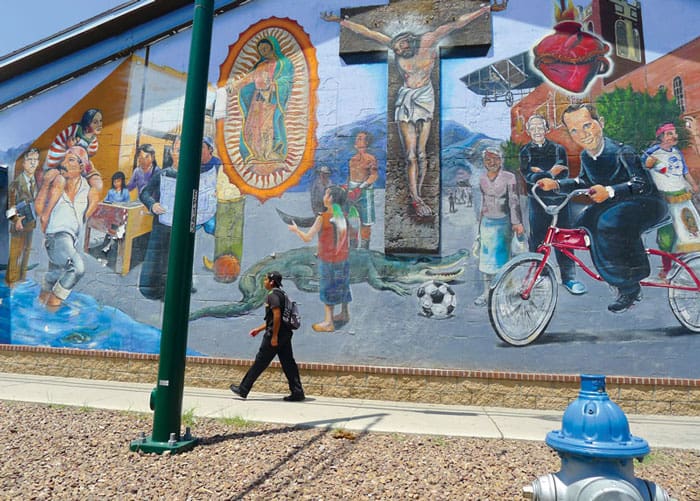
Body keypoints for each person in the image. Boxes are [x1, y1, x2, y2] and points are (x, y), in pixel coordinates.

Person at [322, 6, 489, 217]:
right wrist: (341, 22)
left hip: (425, 99)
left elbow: (456, 24)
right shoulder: (393, 46)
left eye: (400, 47)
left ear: (409, 41)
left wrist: (485, 10)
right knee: (410, 156)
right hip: (406, 100)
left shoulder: (429, 41)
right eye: (396, 50)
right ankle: (415, 198)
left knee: (422, 153)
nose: (398, 51)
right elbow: (368, 33)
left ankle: (420, 193)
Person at [538, 103, 667, 313]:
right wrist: (557, 185)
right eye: (574, 130)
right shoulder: (587, 157)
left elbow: (641, 184)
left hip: (648, 204)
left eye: (587, 125)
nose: (582, 134)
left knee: (609, 221)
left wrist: (609, 191)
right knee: (582, 224)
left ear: (601, 123)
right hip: (616, 205)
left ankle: (630, 283)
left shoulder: (622, 151)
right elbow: (583, 182)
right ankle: (612, 271)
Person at [519, 114, 586, 295]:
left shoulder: (558, 149)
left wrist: (541, 173)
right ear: (528, 131)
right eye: (533, 128)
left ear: (546, 129)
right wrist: (550, 173)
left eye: (540, 127)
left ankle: (569, 278)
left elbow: (563, 173)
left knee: (563, 239)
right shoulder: (525, 151)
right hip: (537, 202)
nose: (537, 131)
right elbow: (528, 176)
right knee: (538, 238)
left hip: (560, 200)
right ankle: (539, 276)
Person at [229, 271, 305, 402]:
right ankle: (297, 392)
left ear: (271, 281)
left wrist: (274, 336)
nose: (264, 282)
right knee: (288, 363)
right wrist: (259, 329)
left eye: (265, 279)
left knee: (260, 361)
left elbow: (276, 317)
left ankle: (243, 389)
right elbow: (277, 318)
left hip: (275, 335)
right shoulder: (283, 295)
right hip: (285, 334)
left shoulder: (272, 296)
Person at [35, 146, 95, 308]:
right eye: (64, 159)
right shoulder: (56, 183)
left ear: (81, 167)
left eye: (71, 160)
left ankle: (40, 312)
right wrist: (46, 183)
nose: (64, 164)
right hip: (57, 236)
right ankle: (53, 309)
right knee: (77, 268)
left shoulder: (86, 188)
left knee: (53, 277)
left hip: (70, 240)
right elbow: (40, 210)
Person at [288, 186, 351, 332]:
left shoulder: (322, 217)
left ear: (330, 199)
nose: (324, 196)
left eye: (326, 194)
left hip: (328, 260)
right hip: (342, 259)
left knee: (328, 288)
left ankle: (328, 322)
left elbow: (307, 237)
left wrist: (296, 230)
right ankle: (344, 313)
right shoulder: (344, 216)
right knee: (342, 285)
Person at [643, 122, 700, 280]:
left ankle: (687, 266)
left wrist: (693, 184)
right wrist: (647, 165)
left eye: (674, 133)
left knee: (688, 231)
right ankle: (667, 269)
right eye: (669, 134)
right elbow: (643, 171)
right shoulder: (652, 153)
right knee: (667, 235)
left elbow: (684, 171)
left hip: (682, 197)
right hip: (665, 199)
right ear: (661, 137)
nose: (673, 136)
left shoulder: (676, 152)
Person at [226, 37, 293, 165]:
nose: (263, 51)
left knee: (267, 126)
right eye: (260, 49)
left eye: (265, 48)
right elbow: (249, 78)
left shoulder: (283, 63)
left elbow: (287, 80)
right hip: (257, 101)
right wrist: (235, 85)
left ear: (272, 47)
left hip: (271, 100)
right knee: (252, 126)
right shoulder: (261, 65)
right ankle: (255, 153)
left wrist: (275, 85)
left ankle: (269, 153)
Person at [474, 148, 524, 306]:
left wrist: (516, 223)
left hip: (504, 224)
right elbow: (482, 203)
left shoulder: (509, 177)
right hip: (487, 223)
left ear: (501, 160)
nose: (492, 163)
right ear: (484, 162)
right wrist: (479, 227)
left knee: (504, 260)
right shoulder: (482, 179)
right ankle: (487, 292)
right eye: (488, 160)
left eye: (495, 159)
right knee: (485, 261)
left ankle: (507, 290)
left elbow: (513, 201)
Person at [41, 109, 104, 229]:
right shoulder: (74, 130)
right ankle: (47, 215)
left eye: (100, 121)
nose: (99, 124)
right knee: (59, 181)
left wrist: (77, 151)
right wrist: (70, 148)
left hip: (80, 164)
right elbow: (58, 147)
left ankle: (85, 216)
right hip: (60, 160)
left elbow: (86, 156)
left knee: (98, 183)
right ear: (87, 123)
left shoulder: (94, 142)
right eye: (95, 122)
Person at [5, 148, 40, 286]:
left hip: (30, 224)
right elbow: (9, 209)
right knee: (15, 254)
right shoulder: (16, 183)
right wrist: (16, 220)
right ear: (23, 163)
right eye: (29, 160)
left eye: (35, 160)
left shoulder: (35, 182)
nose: (32, 163)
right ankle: (11, 282)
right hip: (18, 226)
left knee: (26, 253)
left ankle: (22, 279)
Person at [347, 131, 378, 248]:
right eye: (357, 138)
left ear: (366, 142)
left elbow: (374, 175)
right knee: (352, 220)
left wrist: (363, 185)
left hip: (365, 192)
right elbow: (349, 176)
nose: (357, 140)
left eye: (360, 138)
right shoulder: (352, 160)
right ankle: (353, 247)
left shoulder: (371, 158)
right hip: (352, 192)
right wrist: (348, 189)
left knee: (366, 222)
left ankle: (365, 249)